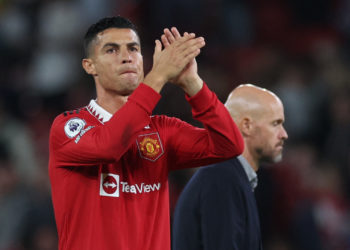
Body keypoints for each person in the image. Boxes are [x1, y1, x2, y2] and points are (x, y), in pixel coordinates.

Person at [48, 16, 244, 250]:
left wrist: (193, 84)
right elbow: (110, 146)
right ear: (90, 65)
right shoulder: (69, 127)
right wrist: (158, 76)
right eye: (111, 50)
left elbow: (229, 145)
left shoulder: (162, 130)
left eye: (134, 49)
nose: (126, 57)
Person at [172, 84, 288, 250]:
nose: (284, 134)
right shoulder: (222, 179)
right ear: (247, 126)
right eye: (276, 123)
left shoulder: (231, 176)